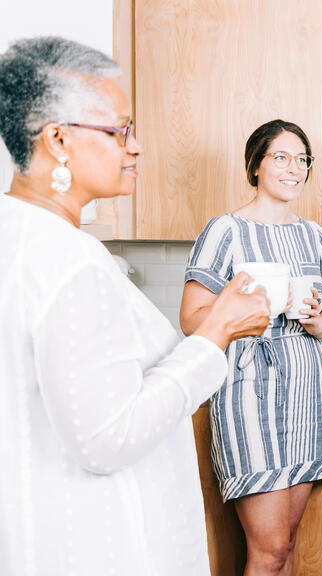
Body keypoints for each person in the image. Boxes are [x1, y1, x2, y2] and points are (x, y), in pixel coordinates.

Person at [0, 37, 270, 574]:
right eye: (119, 129)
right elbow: (107, 437)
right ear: (58, 139)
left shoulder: (18, 234)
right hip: (104, 545)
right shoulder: (70, 262)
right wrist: (213, 335)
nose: (137, 145)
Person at [179, 119, 322, 576]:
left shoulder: (313, 235)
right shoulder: (224, 232)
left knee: (287, 546)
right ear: (255, 165)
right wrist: (244, 316)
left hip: (304, 393)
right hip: (248, 389)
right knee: (269, 549)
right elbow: (192, 319)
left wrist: (315, 320)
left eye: (302, 159)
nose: (295, 168)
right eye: (281, 157)